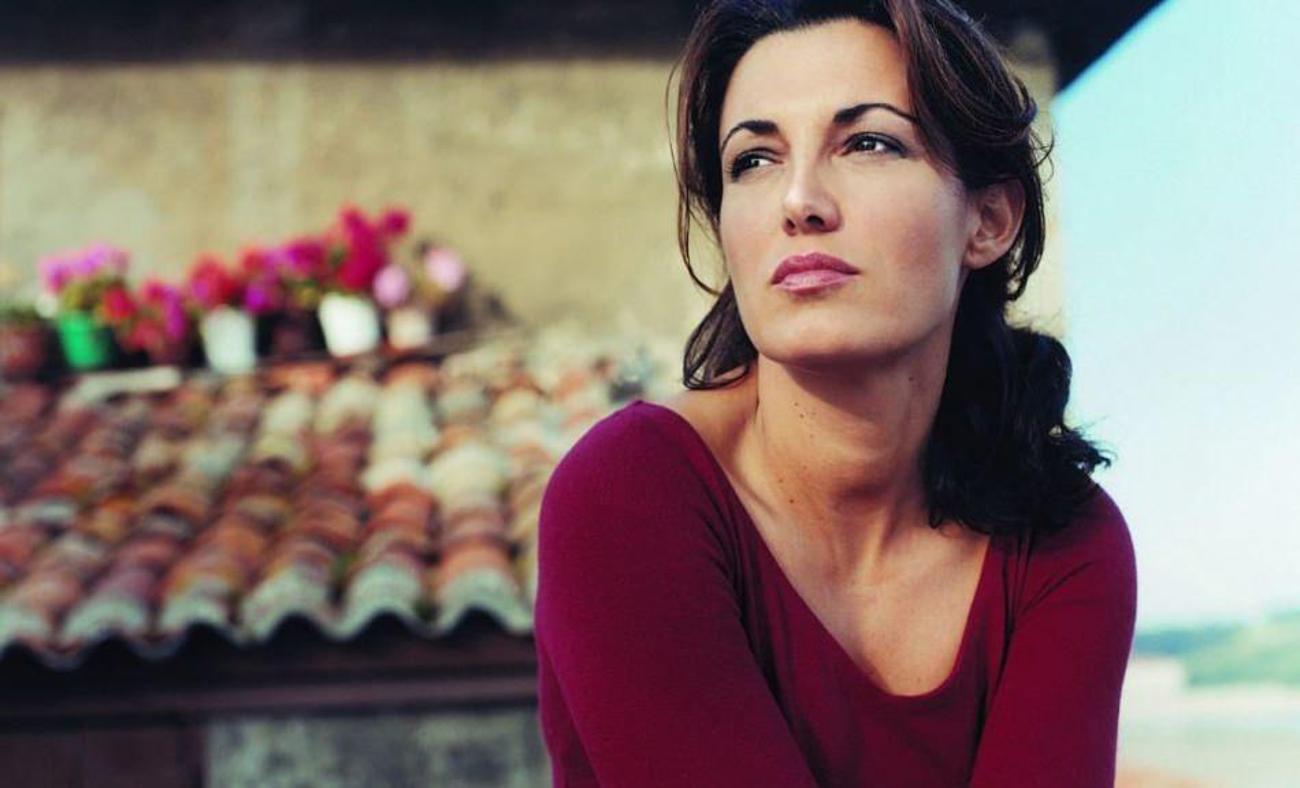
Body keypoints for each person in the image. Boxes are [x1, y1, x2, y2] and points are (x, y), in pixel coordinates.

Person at [534, 0, 1138, 785]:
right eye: (754, 160)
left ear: (988, 221)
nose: (799, 201)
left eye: (868, 143)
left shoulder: (1064, 541)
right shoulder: (629, 493)